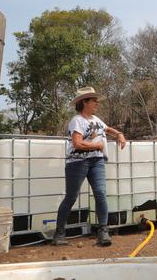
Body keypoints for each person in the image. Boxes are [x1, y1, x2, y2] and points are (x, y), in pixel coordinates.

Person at [52, 86, 127, 246]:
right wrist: (97, 146)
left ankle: (103, 232)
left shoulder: (96, 120)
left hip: (96, 161)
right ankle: (59, 234)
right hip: (77, 162)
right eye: (94, 100)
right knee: (71, 197)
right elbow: (77, 143)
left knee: (100, 194)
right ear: (84, 102)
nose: (97, 103)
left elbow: (107, 129)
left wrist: (119, 134)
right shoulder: (77, 121)